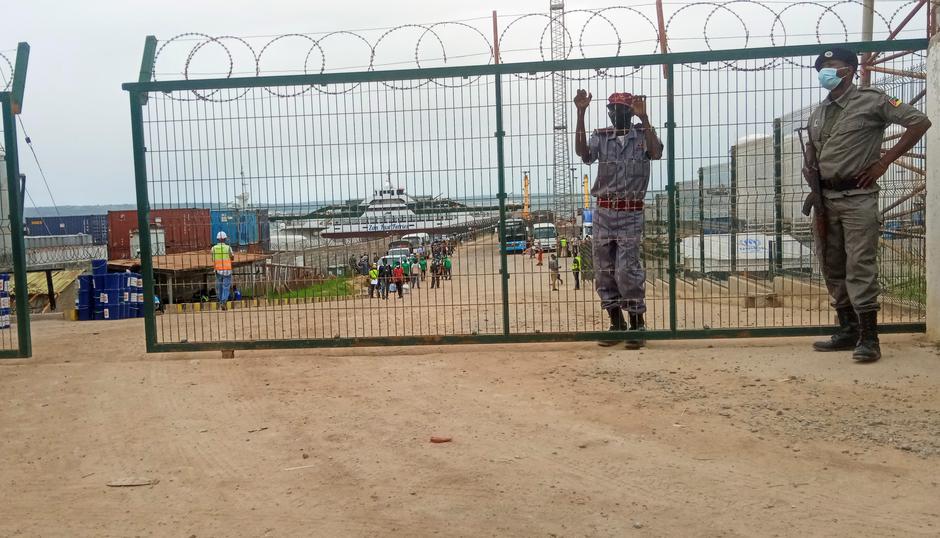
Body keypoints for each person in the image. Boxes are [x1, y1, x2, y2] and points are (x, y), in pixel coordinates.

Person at [804, 47, 931, 362]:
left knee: (859, 265)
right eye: (821, 67)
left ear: (849, 69)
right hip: (824, 199)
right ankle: (847, 330)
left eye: (831, 66)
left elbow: (919, 122)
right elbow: (813, 146)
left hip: (858, 198)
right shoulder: (819, 111)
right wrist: (810, 166)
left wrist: (884, 162)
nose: (825, 72)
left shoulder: (874, 100)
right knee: (831, 265)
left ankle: (869, 338)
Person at [575, 89, 663, 349]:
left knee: (627, 269)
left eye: (621, 110)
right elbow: (584, 154)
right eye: (612, 110)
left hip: (630, 211)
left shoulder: (642, 135)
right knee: (604, 271)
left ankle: (637, 324)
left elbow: (656, 152)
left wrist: (644, 118)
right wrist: (581, 113)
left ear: (630, 112)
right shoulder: (601, 137)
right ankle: (616, 322)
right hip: (604, 211)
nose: (615, 115)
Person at [211, 231, 235, 310]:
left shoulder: (213, 248)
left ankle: (221, 301)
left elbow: (212, 259)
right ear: (225, 239)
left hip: (218, 270)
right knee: (226, 286)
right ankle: (224, 301)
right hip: (227, 270)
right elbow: (232, 257)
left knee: (220, 286)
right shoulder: (228, 248)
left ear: (217, 239)